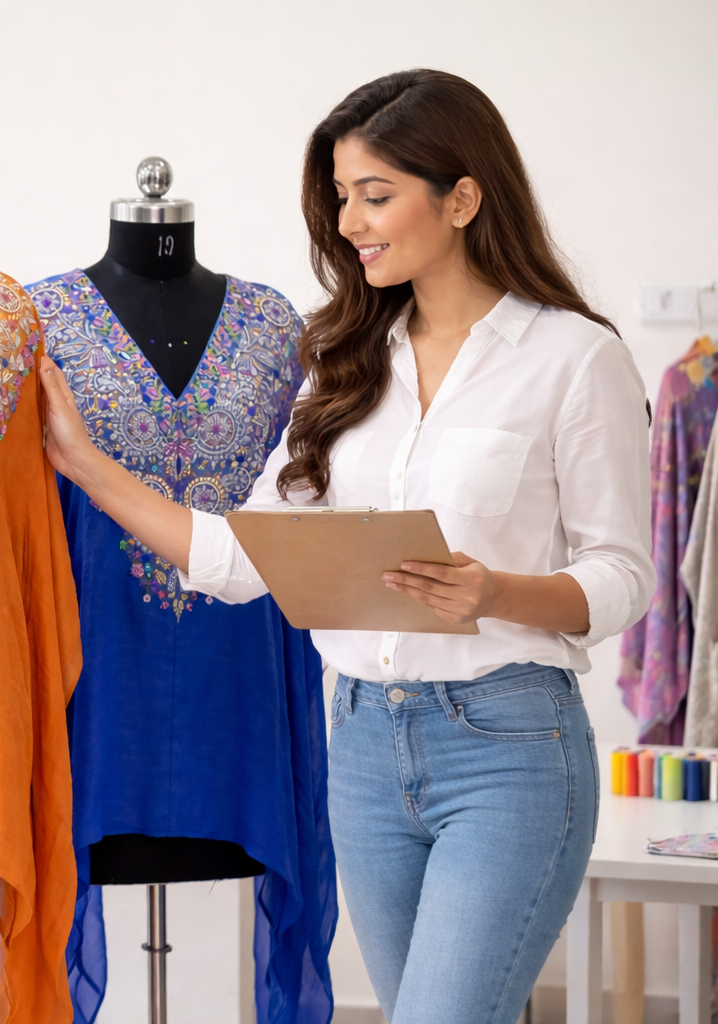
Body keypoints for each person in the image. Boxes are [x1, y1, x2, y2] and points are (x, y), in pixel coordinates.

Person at [38, 68, 653, 1024]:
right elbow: (244, 562)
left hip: (510, 749)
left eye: (376, 196)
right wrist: (84, 465)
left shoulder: (574, 359)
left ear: (462, 197)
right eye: (340, 198)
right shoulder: (342, 360)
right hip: (361, 751)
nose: (351, 222)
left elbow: (622, 578)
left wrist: (492, 591)